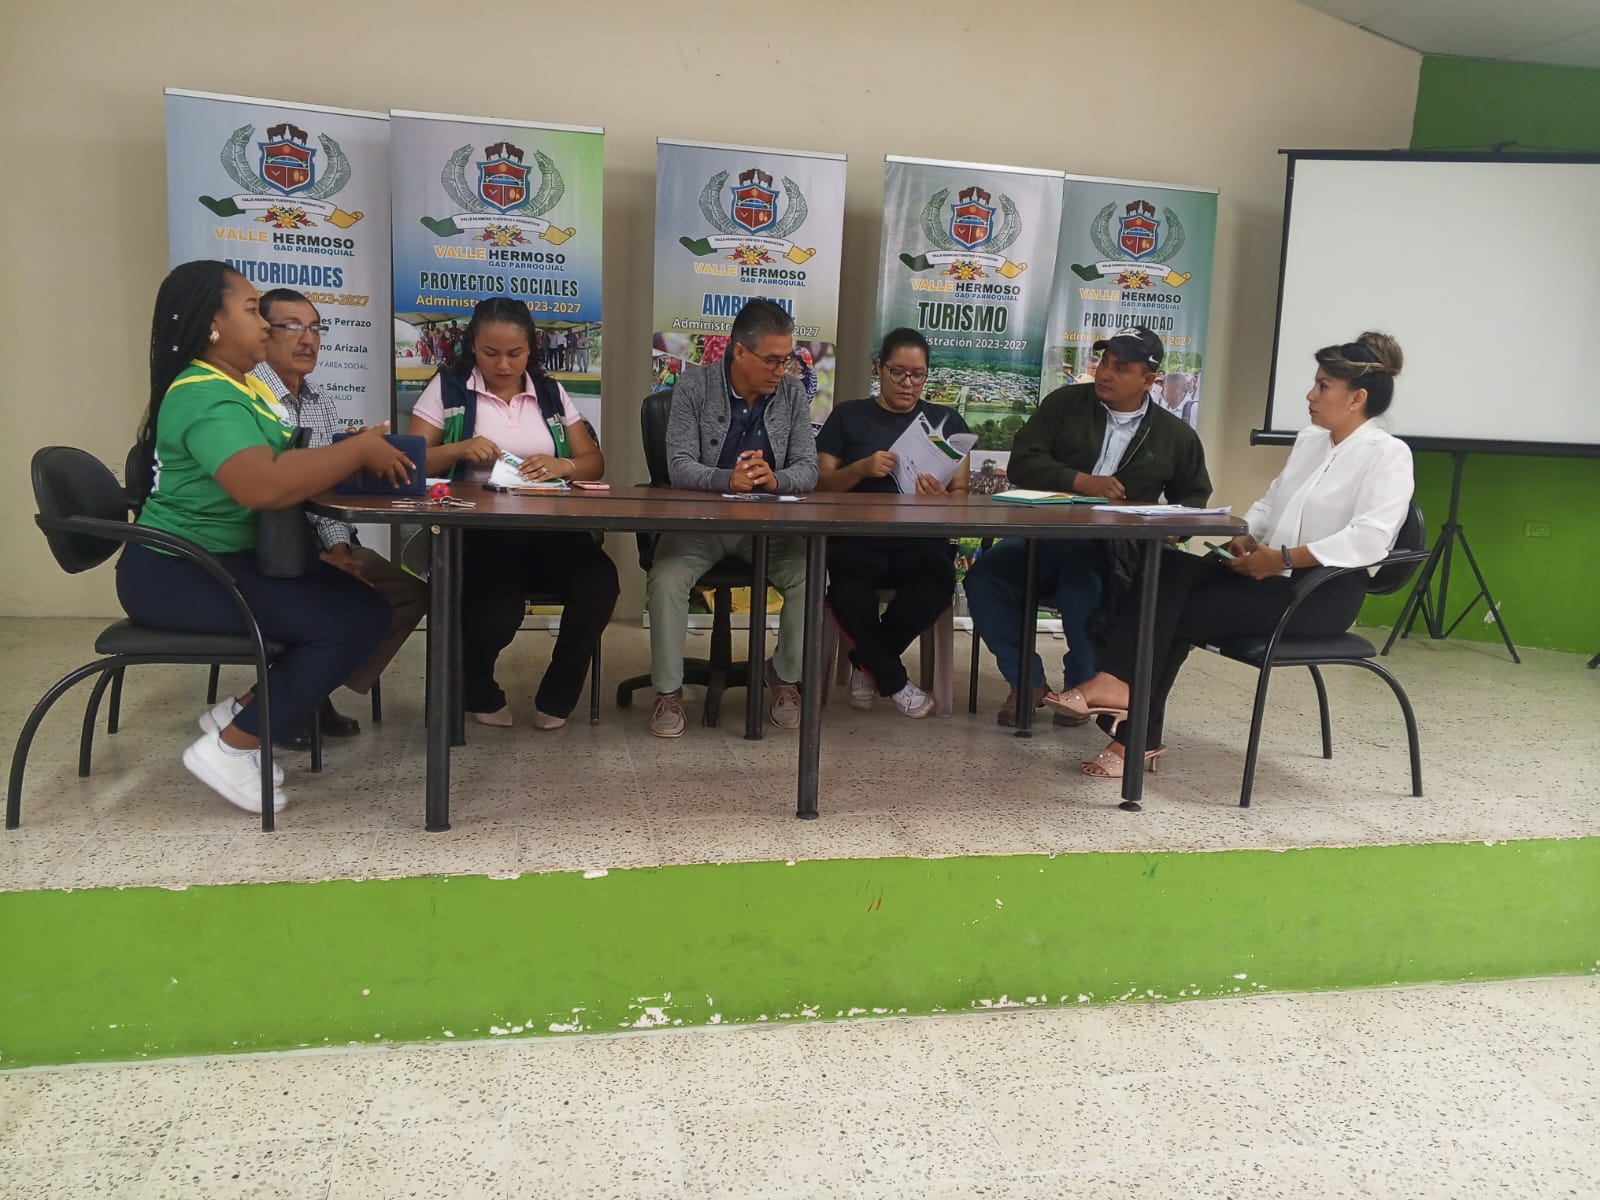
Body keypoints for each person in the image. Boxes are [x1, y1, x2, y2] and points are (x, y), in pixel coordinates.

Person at [118, 260, 411, 814]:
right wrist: (355, 451)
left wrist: (357, 452)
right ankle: (231, 748)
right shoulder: (204, 393)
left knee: (366, 607)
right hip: (176, 570)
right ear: (213, 323)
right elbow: (263, 483)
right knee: (342, 625)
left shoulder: (247, 384)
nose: (265, 325)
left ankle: (240, 714)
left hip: (229, 557)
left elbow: (292, 461)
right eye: (253, 311)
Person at [1052, 332, 1413, 778]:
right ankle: (1123, 702)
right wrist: (1244, 535)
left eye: (1323, 386)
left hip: (1319, 598)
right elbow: (1269, 504)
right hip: (1270, 577)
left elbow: (1371, 540)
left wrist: (1283, 559)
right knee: (1166, 568)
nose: (1310, 394)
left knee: (1166, 609)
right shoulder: (1311, 441)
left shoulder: (1388, 454)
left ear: (1357, 398)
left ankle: (1129, 719)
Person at [964, 326, 1211, 728]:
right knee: (984, 579)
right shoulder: (1065, 404)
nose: (1106, 374)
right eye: (1104, 362)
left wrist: (1175, 530)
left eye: (1121, 368)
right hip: (1043, 537)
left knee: (1083, 592)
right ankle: (1027, 681)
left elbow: (1195, 496)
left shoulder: (1174, 435)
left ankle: (1082, 689)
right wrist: (1081, 481)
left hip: (1109, 551)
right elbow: (1023, 462)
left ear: (1148, 380)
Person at [405, 298, 617, 730]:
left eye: (515, 353)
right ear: (473, 346)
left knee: (599, 583)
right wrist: (460, 449)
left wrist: (563, 465)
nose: (503, 365)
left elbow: (593, 462)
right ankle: (476, 687)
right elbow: (411, 459)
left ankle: (558, 693)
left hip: (549, 530)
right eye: (491, 353)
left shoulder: (549, 392)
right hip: (478, 529)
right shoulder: (449, 388)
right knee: (497, 611)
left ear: (530, 349)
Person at [250, 288, 429, 749]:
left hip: (318, 540)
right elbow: (264, 496)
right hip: (263, 548)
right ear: (263, 334)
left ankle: (311, 688)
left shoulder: (322, 402)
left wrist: (339, 548)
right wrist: (318, 559)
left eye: (315, 328)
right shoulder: (248, 400)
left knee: (408, 593)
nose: (308, 339)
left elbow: (329, 491)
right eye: (293, 327)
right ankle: (288, 699)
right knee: (327, 596)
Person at [646, 298, 818, 737]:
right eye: (772, 360)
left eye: (787, 359)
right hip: (701, 525)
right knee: (666, 578)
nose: (781, 370)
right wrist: (728, 478)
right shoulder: (694, 386)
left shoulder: (792, 394)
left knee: (811, 575)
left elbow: (809, 468)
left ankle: (783, 676)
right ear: (739, 351)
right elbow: (678, 465)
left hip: (769, 528)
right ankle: (667, 691)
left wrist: (774, 479)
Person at [815, 327, 968, 718]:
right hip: (858, 536)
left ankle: (866, 664)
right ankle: (894, 680)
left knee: (937, 583)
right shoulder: (849, 416)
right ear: (879, 368)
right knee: (849, 590)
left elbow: (962, 497)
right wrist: (861, 469)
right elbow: (821, 485)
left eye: (918, 375)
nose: (907, 383)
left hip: (920, 538)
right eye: (898, 372)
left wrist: (942, 498)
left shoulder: (947, 420)